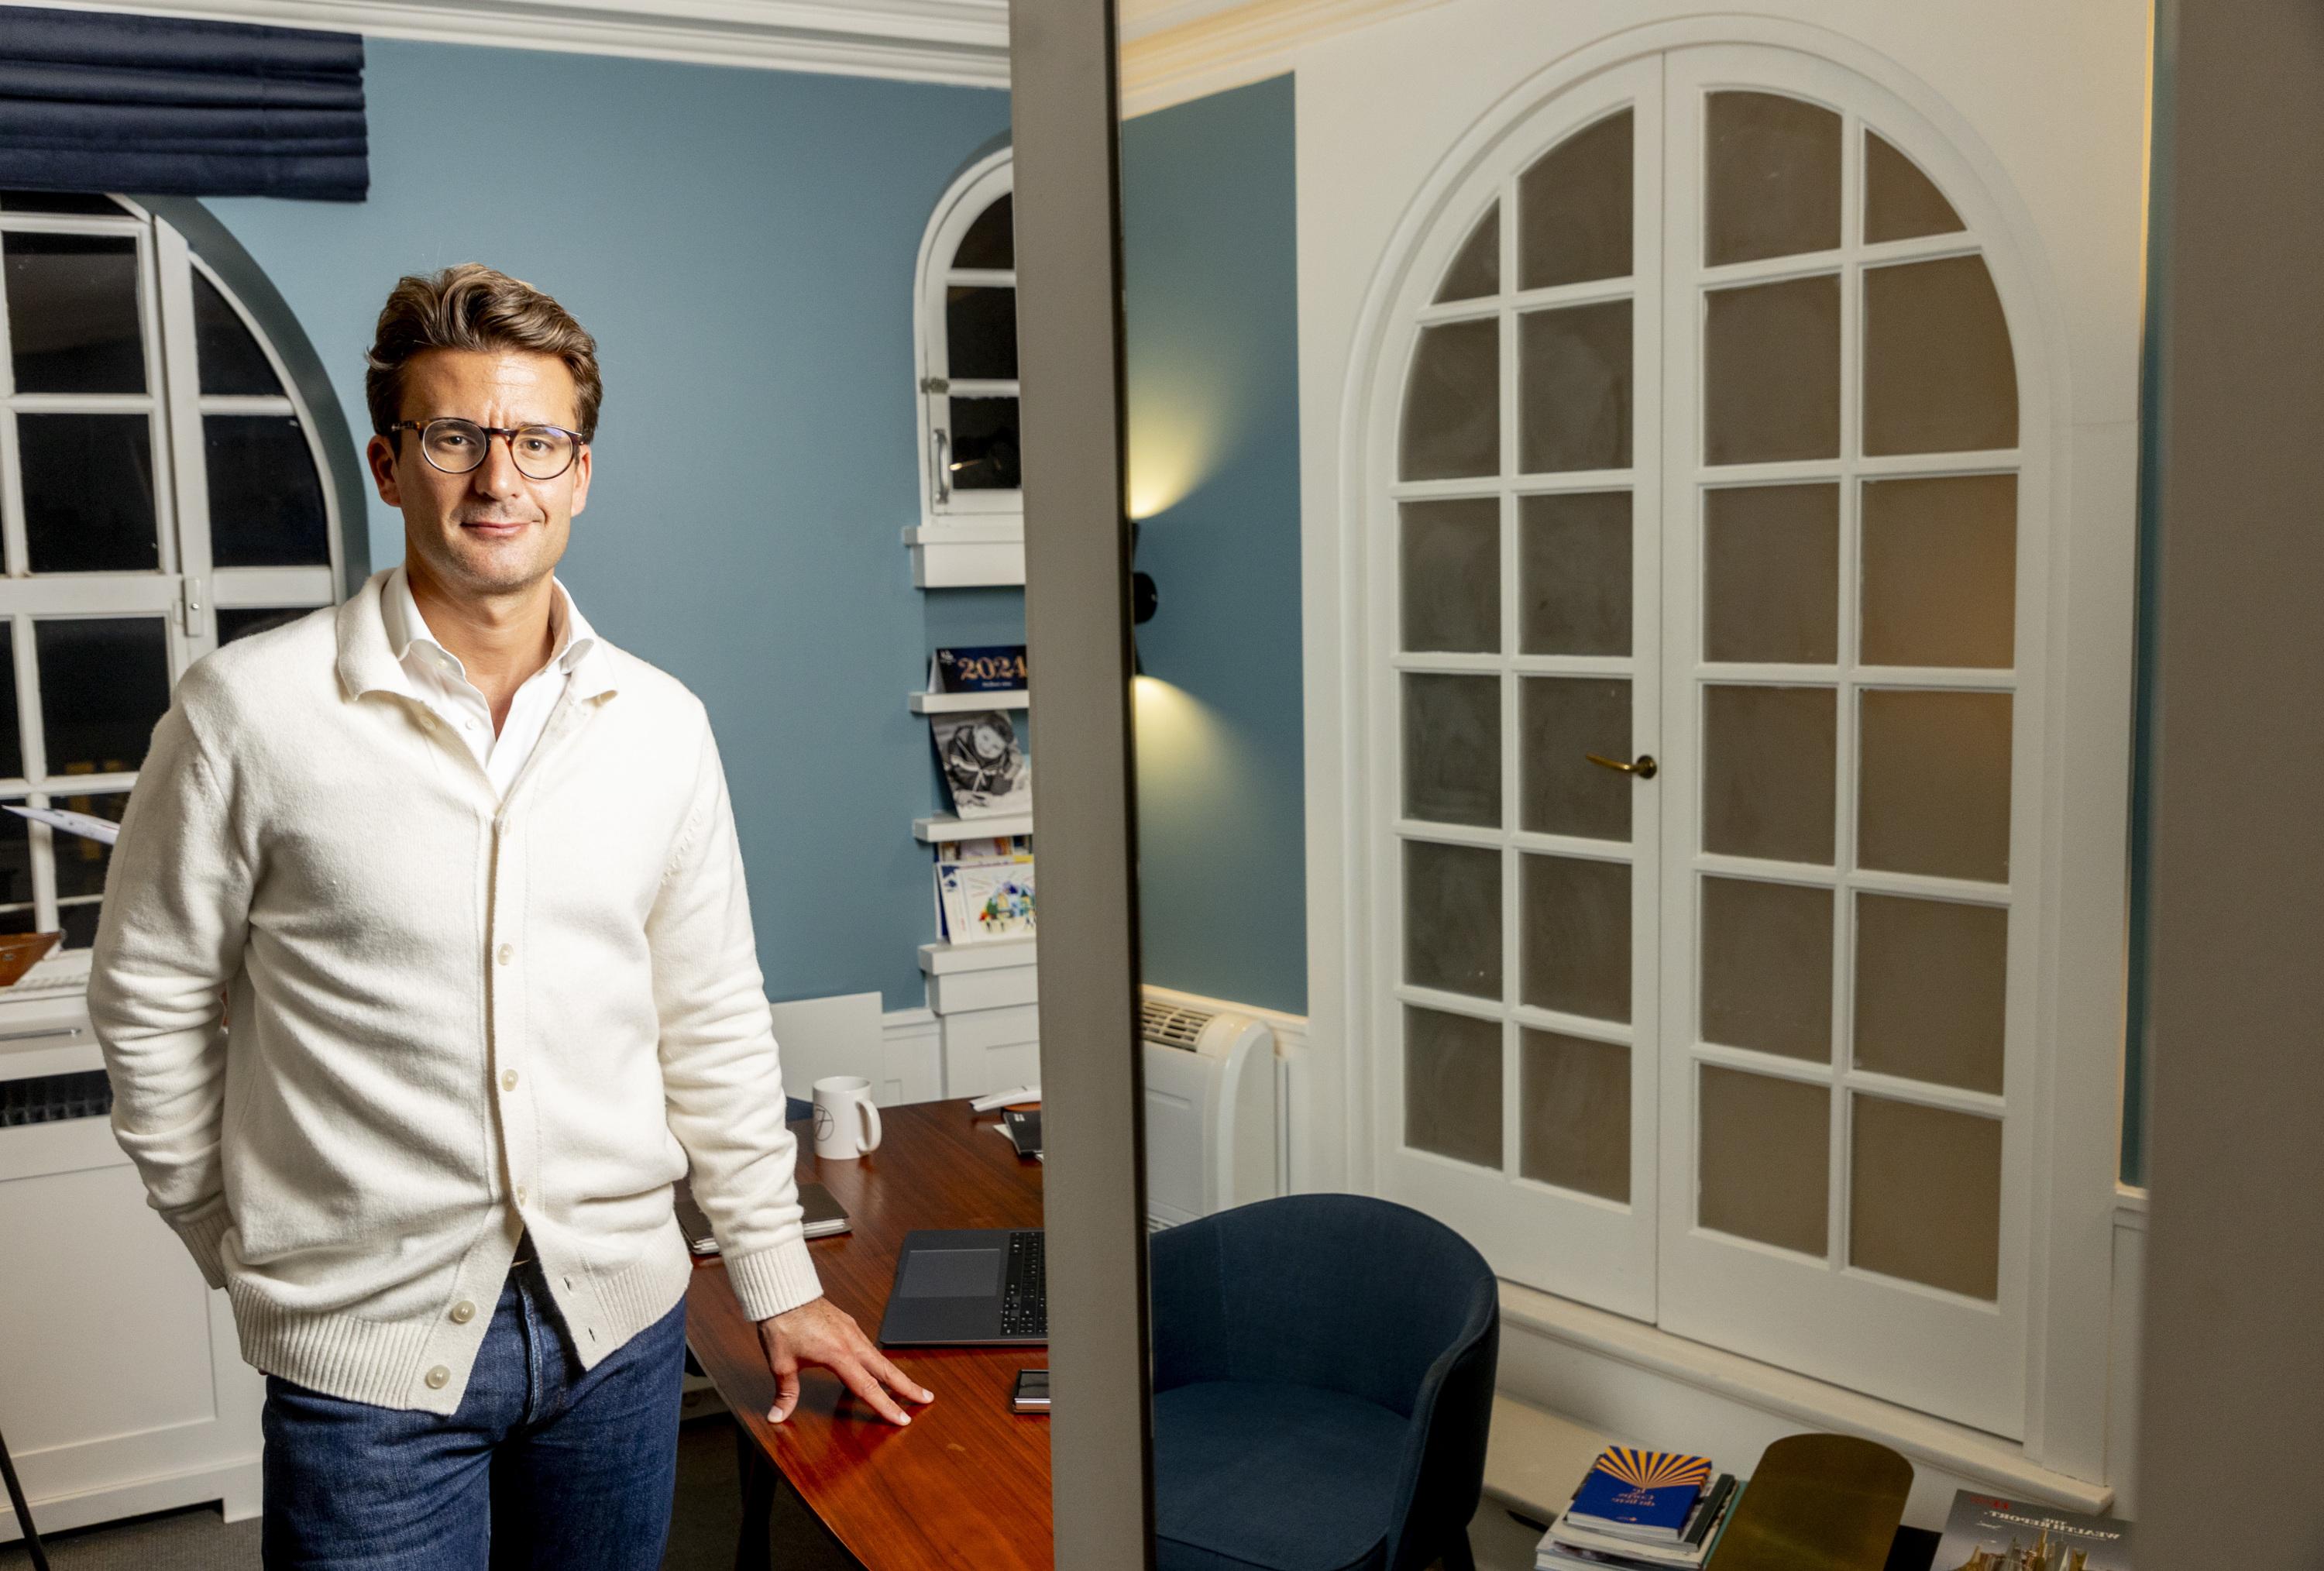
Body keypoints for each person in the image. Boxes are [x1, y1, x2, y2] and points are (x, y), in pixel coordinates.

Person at [87, 263, 931, 1569]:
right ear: (388, 462)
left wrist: (781, 1284)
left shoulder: (662, 726)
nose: (499, 482)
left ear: (580, 473)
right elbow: (147, 999)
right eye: (454, 438)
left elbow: (709, 1022)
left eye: (538, 442)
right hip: (362, 1376)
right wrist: (229, 1231)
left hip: (622, 1343)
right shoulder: (246, 713)